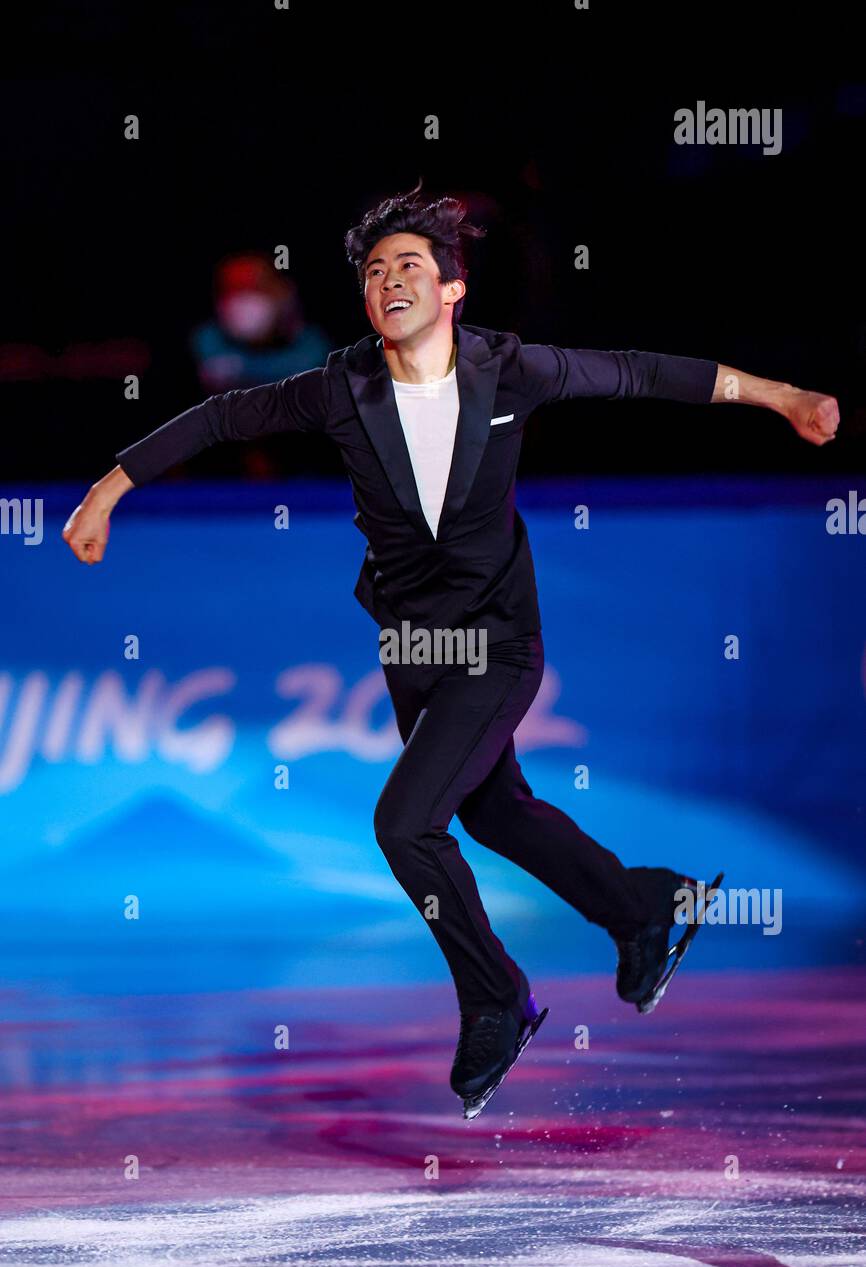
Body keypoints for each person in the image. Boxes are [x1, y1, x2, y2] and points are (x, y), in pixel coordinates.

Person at [63, 183, 840, 1118]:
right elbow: (222, 419)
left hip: (499, 643)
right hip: (413, 647)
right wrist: (108, 487)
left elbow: (637, 372)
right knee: (496, 811)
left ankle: (495, 1000)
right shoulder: (342, 385)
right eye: (375, 271)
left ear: (453, 289)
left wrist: (779, 395)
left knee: (405, 825)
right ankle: (644, 910)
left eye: (410, 266)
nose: (390, 280)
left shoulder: (509, 371)